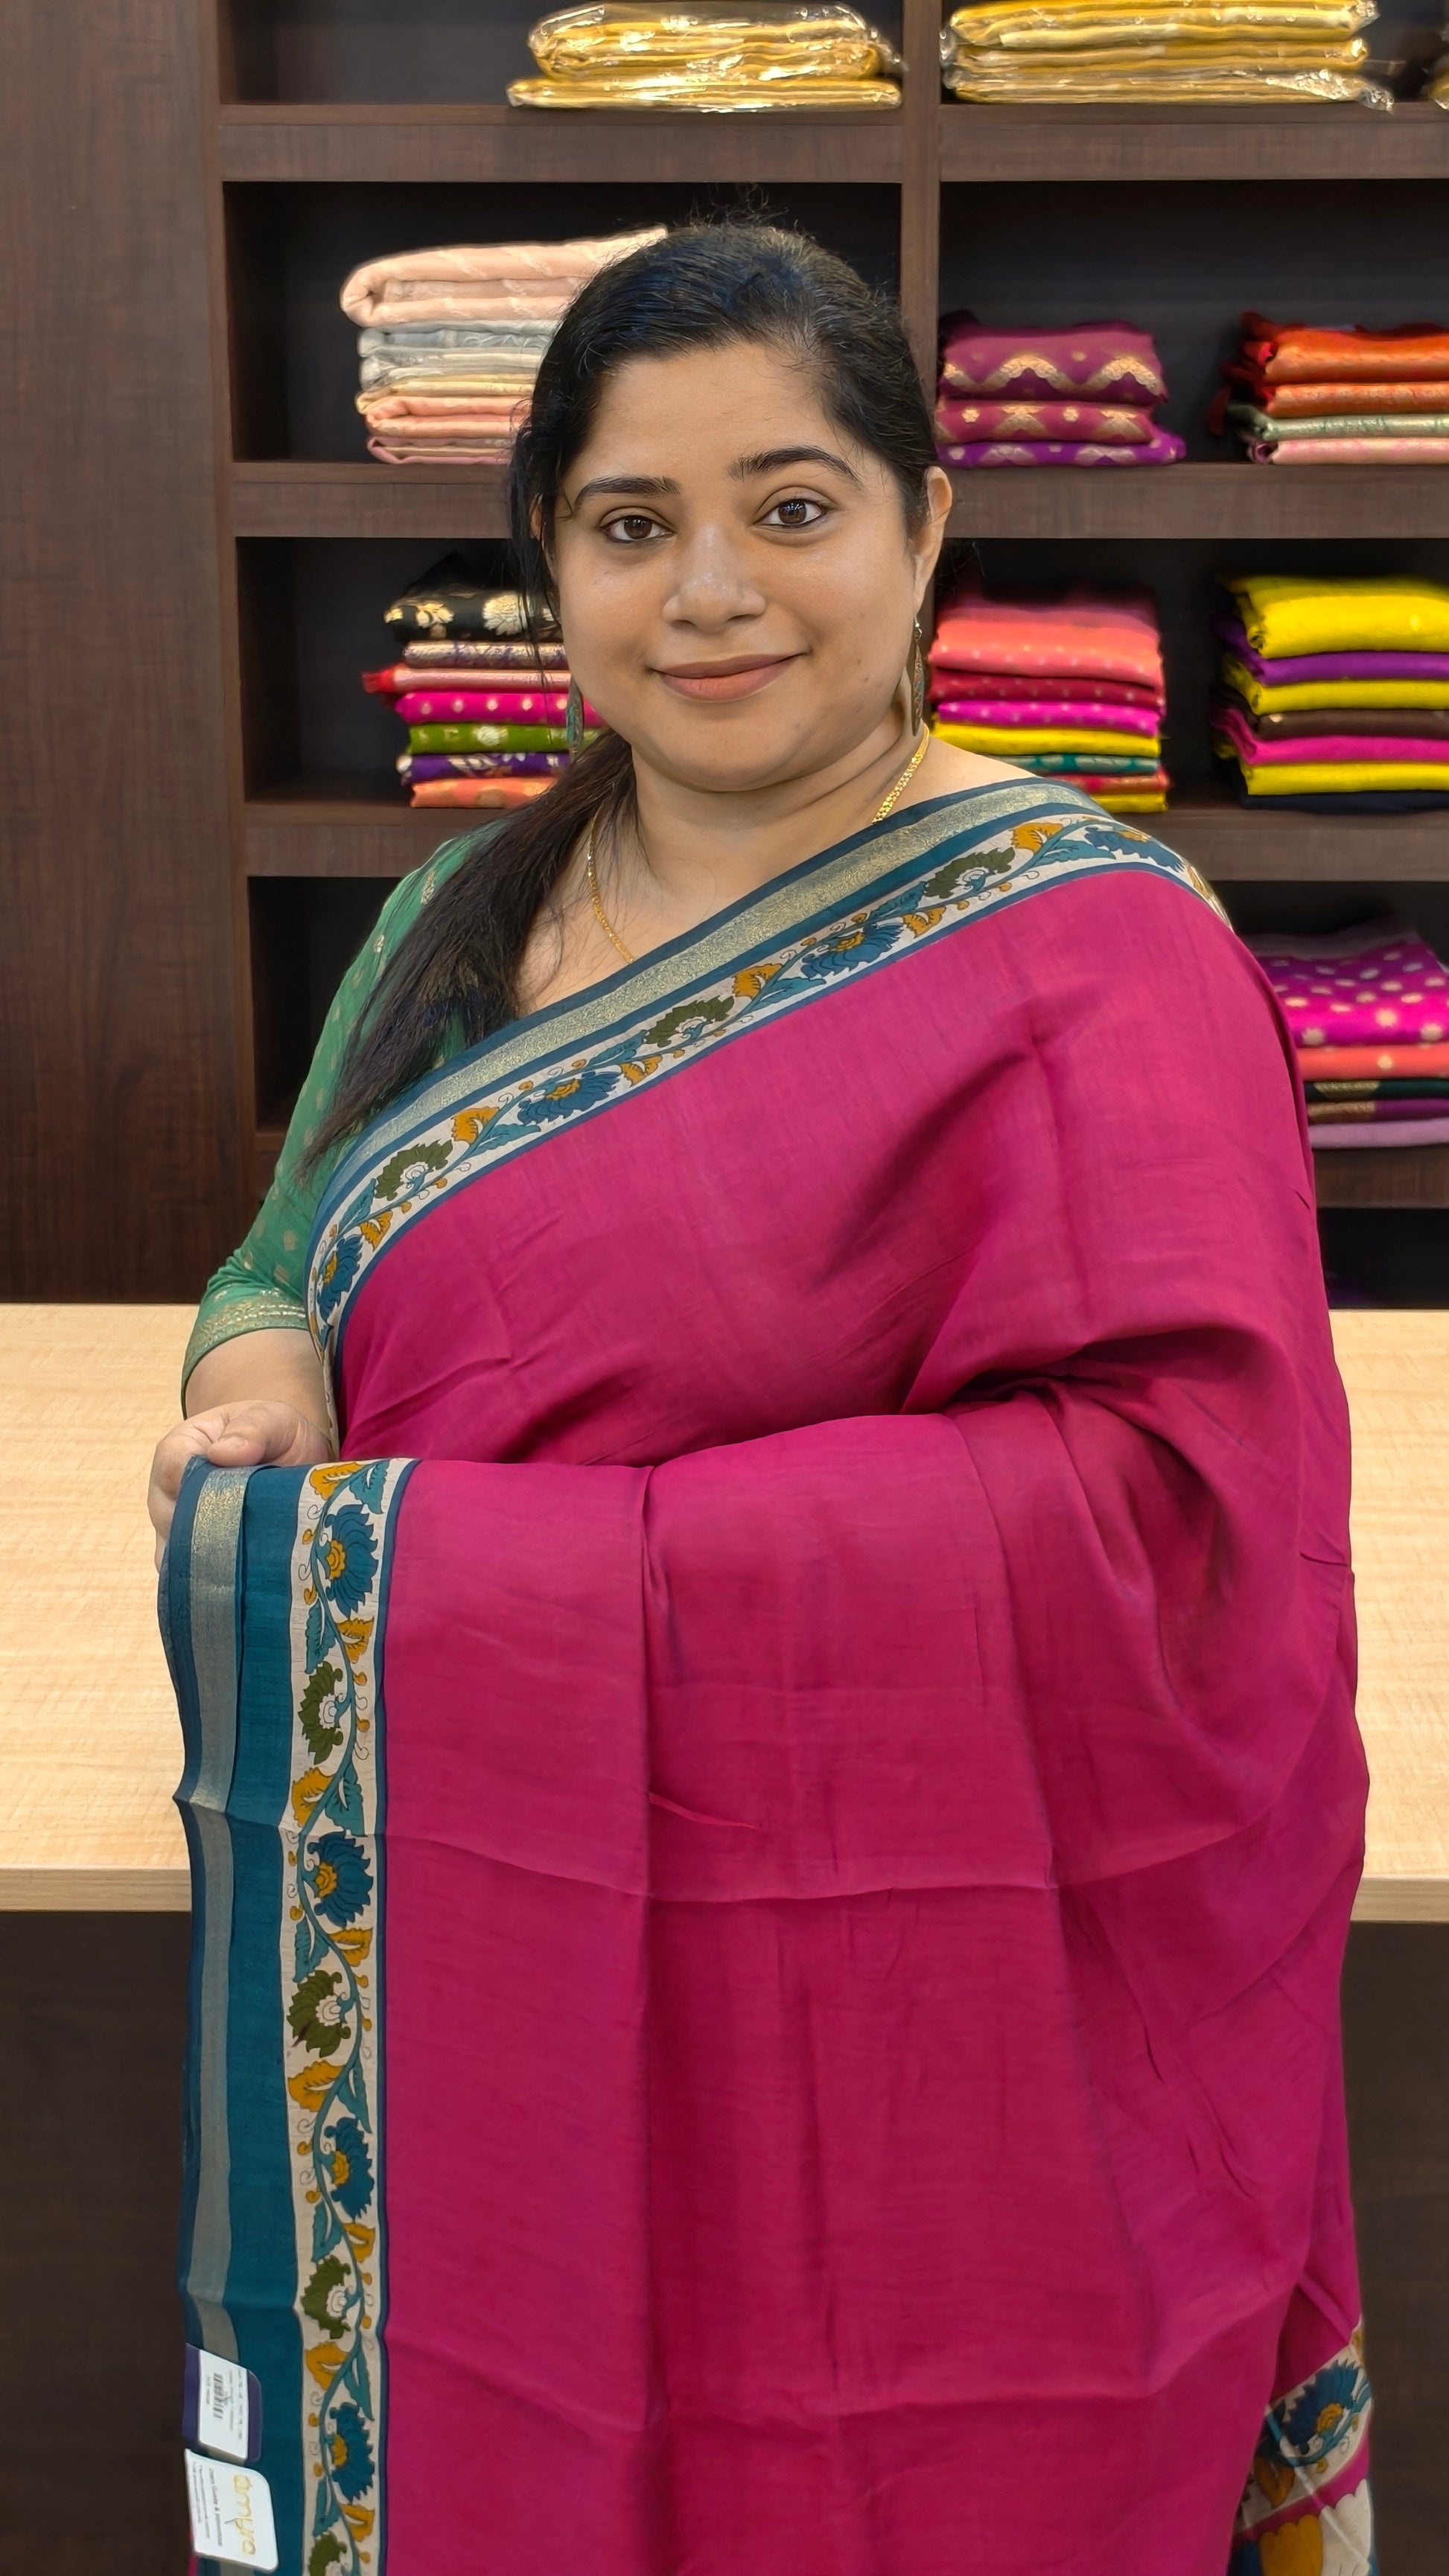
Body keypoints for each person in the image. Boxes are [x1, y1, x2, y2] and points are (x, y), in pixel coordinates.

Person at [150, 223, 1372, 2576]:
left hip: (934, 1990)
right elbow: (282, 1242)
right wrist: (265, 1360)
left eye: (790, 507)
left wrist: (477, 1580)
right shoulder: (458, 913)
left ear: (926, 524)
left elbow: (1173, 1522)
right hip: (490, 1905)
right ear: (552, 563)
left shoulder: (1100, 952)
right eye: (631, 523)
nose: (710, 590)